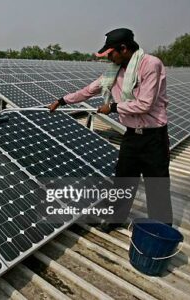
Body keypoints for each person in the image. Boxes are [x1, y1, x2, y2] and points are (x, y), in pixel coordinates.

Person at [48, 28, 173, 232]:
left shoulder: (150, 64)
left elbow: (145, 104)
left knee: (157, 184)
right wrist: (61, 101)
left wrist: (113, 107)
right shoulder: (113, 72)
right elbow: (88, 91)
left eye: (110, 53)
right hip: (132, 135)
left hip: (153, 137)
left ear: (123, 49)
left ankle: (161, 230)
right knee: (123, 180)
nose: (108, 58)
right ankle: (115, 220)